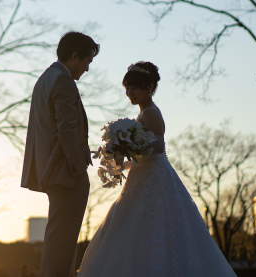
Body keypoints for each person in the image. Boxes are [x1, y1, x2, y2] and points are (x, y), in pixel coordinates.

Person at [77, 61, 237, 276]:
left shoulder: (151, 112)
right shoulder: (143, 114)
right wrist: (122, 156)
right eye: (127, 88)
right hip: (143, 175)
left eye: (134, 88)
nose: (129, 93)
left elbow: (159, 146)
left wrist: (128, 145)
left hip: (154, 178)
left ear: (149, 86)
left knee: (151, 226)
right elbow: (142, 155)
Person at [21, 31, 100, 277]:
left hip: (51, 171)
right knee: (63, 241)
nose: (87, 68)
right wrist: (78, 168)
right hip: (66, 172)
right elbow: (67, 129)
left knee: (58, 237)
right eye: (87, 61)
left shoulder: (45, 78)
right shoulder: (63, 81)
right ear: (74, 56)